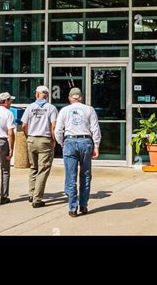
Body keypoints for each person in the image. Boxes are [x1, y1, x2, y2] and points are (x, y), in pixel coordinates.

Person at [55, 87, 101, 217]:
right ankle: (84, 205)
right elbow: (95, 129)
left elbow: (58, 130)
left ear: (70, 98)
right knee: (85, 174)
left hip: (69, 141)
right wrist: (96, 145)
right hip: (86, 142)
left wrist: (62, 143)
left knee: (71, 176)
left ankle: (72, 208)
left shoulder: (64, 110)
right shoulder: (89, 109)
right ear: (80, 97)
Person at [21, 85, 58, 208]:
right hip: (44, 140)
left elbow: (24, 125)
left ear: (36, 94)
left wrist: (28, 137)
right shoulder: (51, 108)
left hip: (31, 139)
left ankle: (31, 194)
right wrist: (54, 140)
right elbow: (54, 125)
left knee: (33, 168)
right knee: (43, 169)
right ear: (46, 95)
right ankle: (37, 198)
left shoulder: (30, 107)